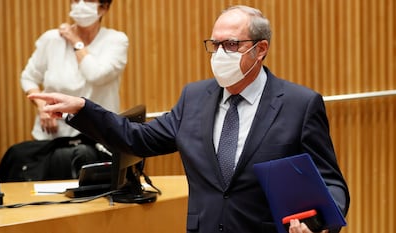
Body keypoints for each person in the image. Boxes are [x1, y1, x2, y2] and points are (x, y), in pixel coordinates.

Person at [29, 5, 350, 233]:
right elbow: (136, 139)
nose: (220, 53)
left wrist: (317, 224)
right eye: (215, 44)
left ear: (261, 49)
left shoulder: (299, 104)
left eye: (232, 44)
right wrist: (82, 108)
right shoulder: (195, 98)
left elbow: (331, 182)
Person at [21, 0, 128, 140]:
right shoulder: (52, 39)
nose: (80, 4)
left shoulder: (116, 40)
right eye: (76, 0)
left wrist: (75, 41)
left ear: (104, 7)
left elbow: (95, 75)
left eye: (88, 0)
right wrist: (42, 107)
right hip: (53, 135)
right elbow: (28, 78)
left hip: (98, 136)